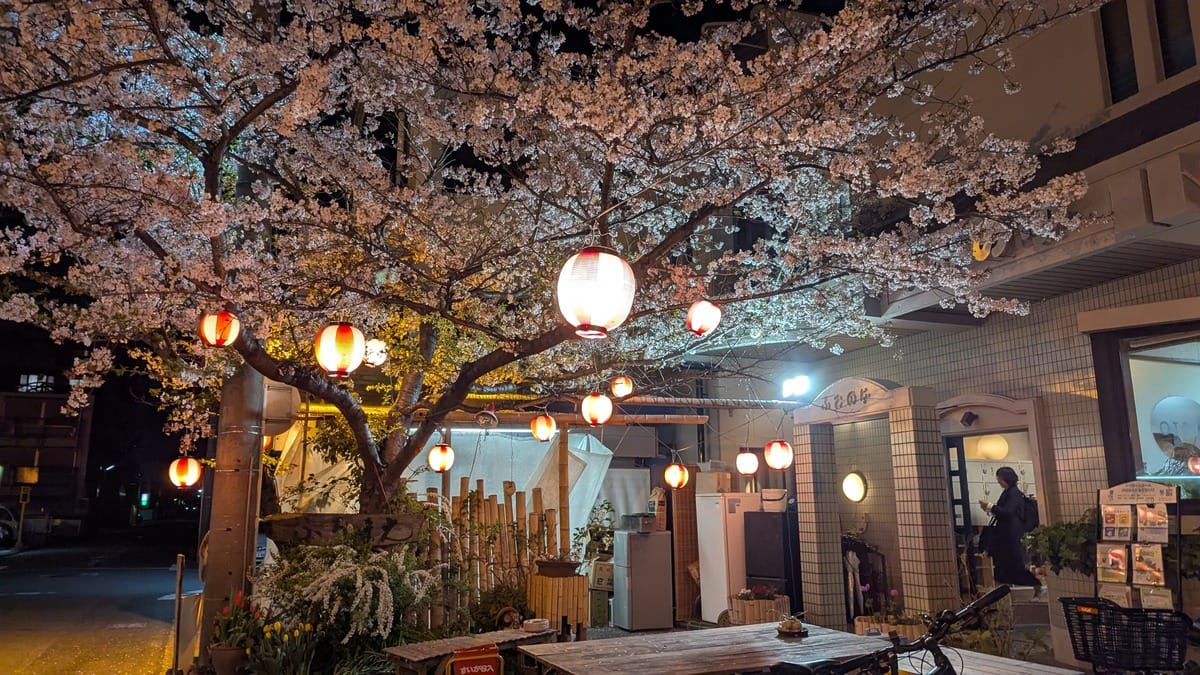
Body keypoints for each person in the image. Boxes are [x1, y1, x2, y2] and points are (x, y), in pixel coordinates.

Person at [979, 466, 1043, 595]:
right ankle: (1008, 590)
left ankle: (1034, 585)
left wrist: (990, 506)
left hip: (1011, 535)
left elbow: (1008, 512)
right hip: (1006, 534)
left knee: (1013, 565)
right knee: (1006, 565)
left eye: (999, 478)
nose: (998, 481)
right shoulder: (1009, 492)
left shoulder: (1013, 493)